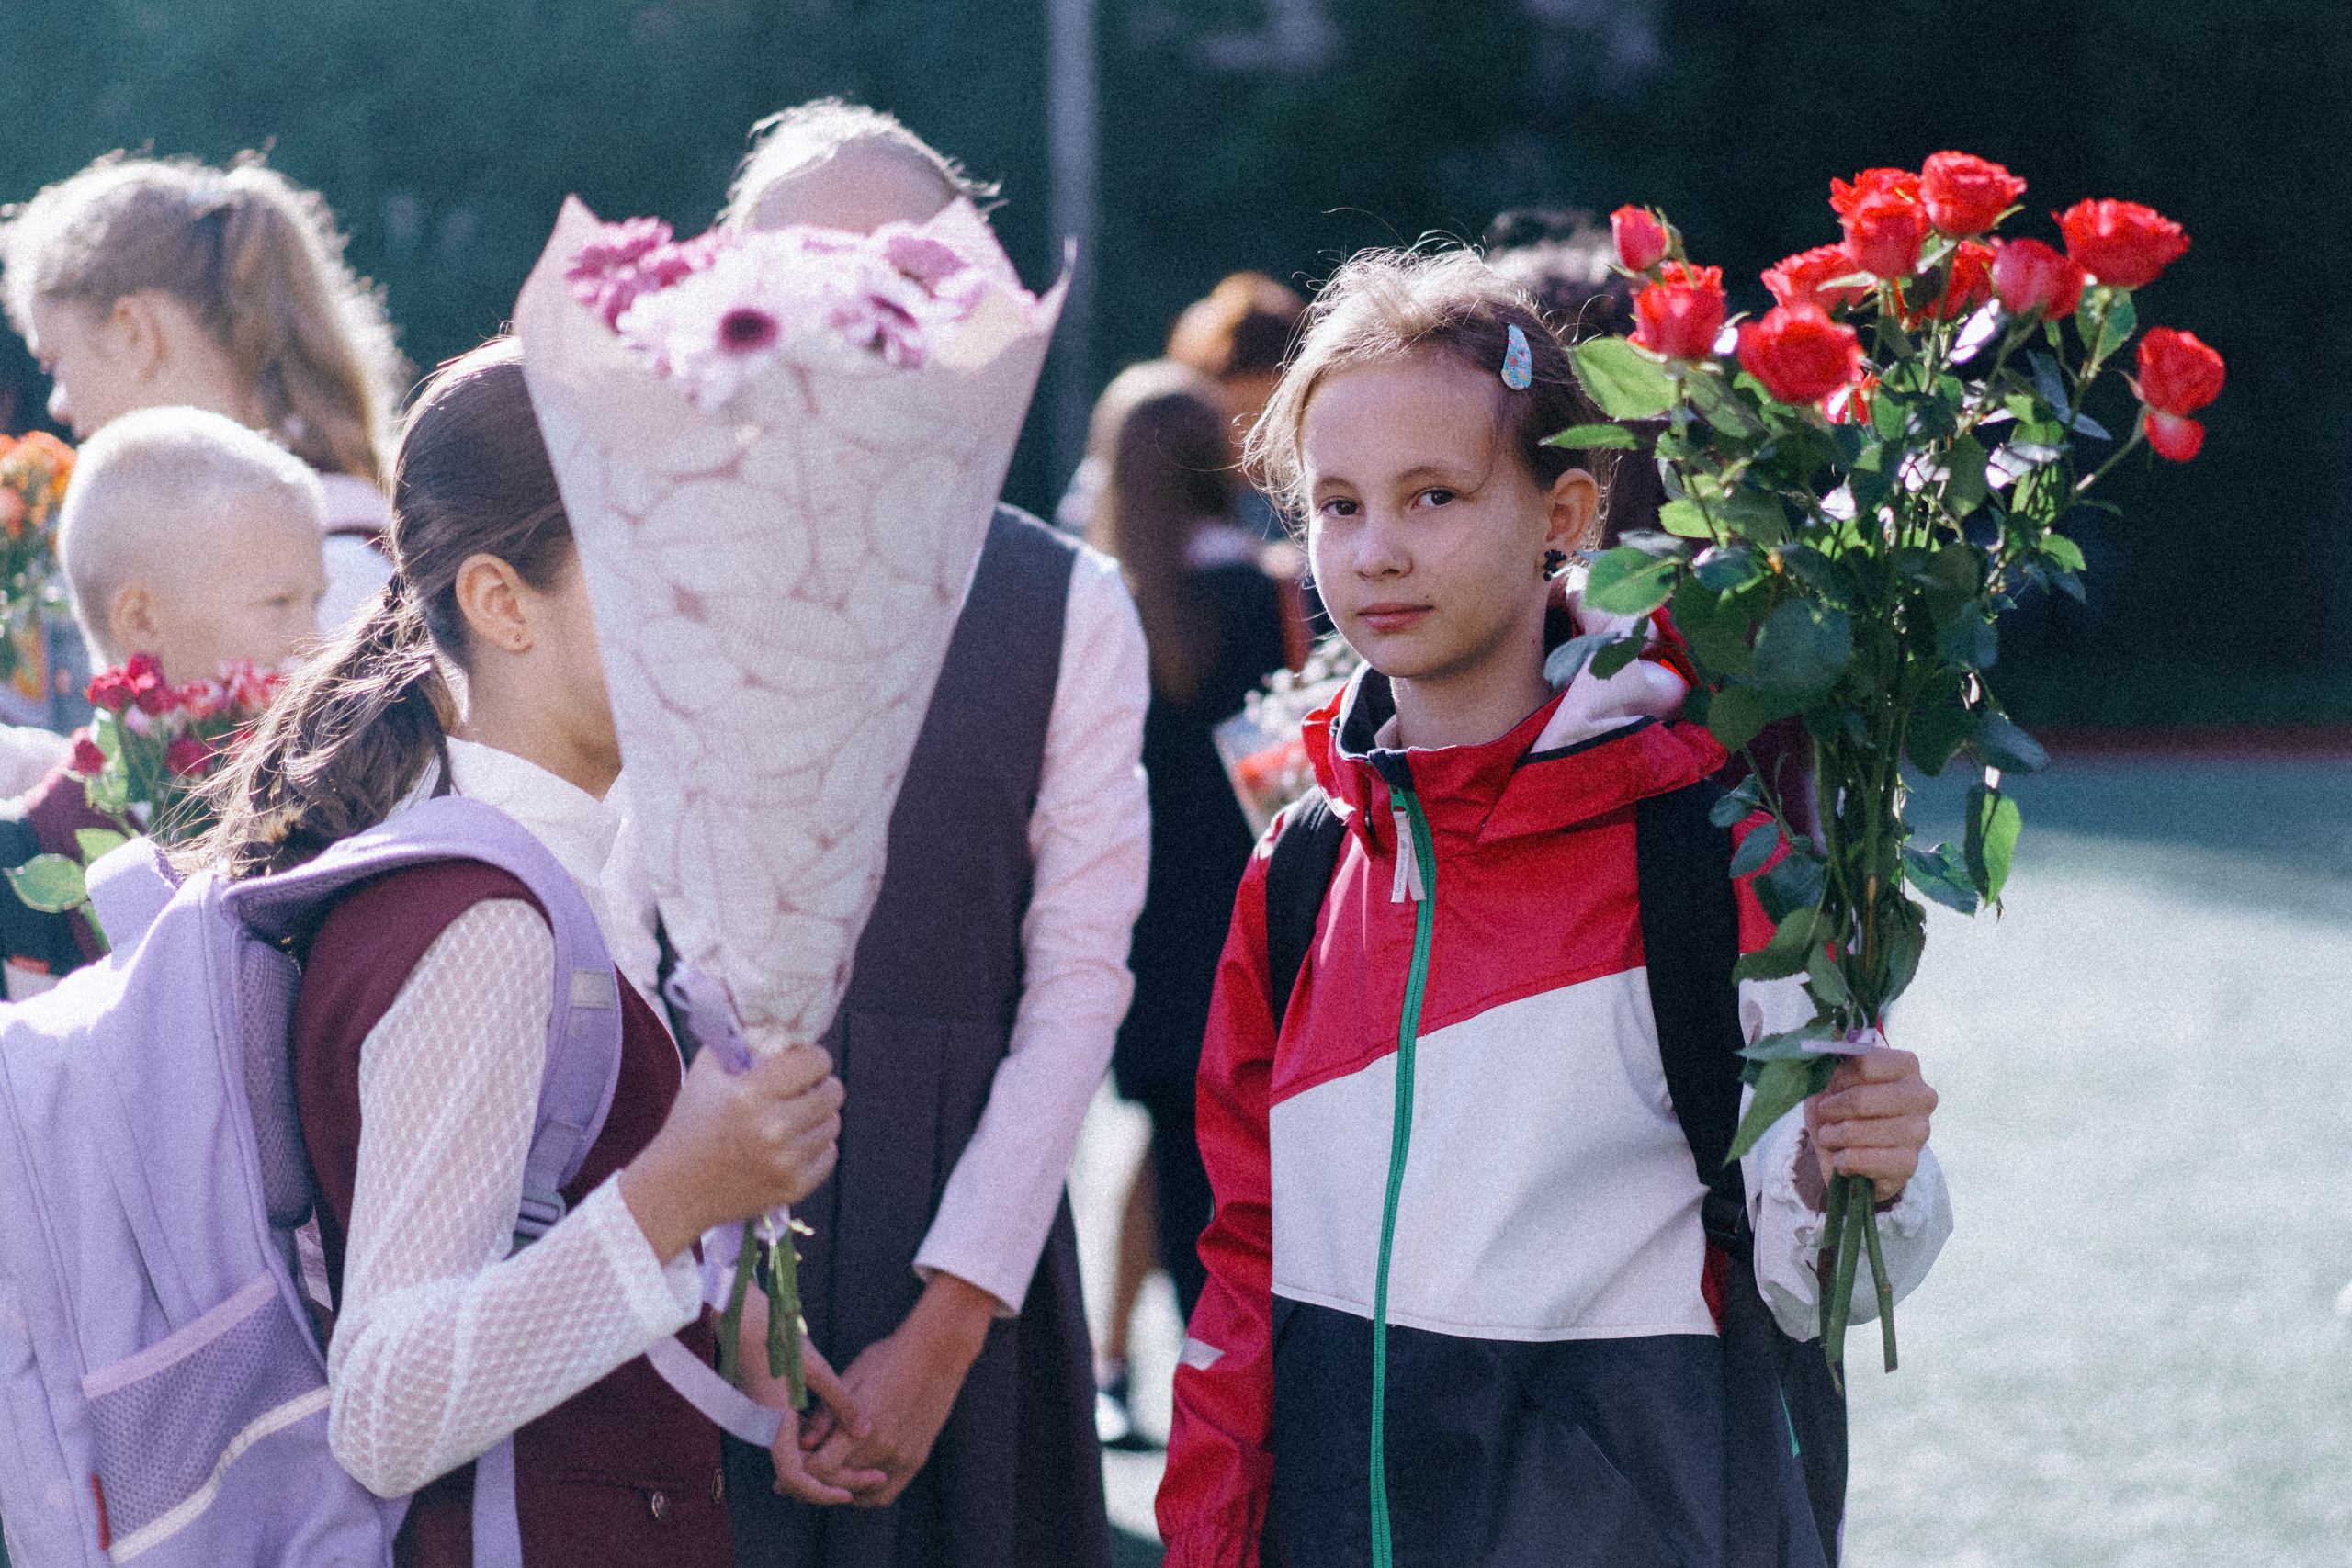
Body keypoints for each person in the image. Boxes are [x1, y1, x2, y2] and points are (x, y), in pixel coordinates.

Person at [1156, 248, 1951, 1567]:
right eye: (1339, 506)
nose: (1378, 548)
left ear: (1566, 511)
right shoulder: (1299, 868)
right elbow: (1245, 1266)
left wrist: (1872, 1159)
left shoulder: (1707, 850)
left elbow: (1821, 1274)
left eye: (1435, 494)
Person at [183, 337, 859, 1565]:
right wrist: (676, 1197)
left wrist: (726, 1304)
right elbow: (387, 1407)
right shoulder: (489, 919)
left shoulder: (571, 867)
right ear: (502, 603)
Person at [716, 101, 1147, 1568]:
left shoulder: (1066, 602)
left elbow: (1080, 978)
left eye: (892, 264)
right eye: (794, 262)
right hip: (680, 1210)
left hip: (958, 1232)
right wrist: (729, 1290)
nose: (843, 301)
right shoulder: (646, 568)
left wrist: (953, 1316)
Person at [1079, 361, 1291, 1446]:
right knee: (1254, 1191)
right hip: (1252, 930)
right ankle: (1249, 1420)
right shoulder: (1263, 594)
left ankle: (1178, 1403)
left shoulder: (1095, 610)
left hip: (1140, 937)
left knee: (1172, 1172)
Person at [0, 152, 410, 638]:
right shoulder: (308, 552)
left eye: (56, 365)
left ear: (135, 333)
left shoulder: (331, 570)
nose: (58, 406)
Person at [0, 403, 330, 997]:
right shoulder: (19, 861)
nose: (316, 640)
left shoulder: (319, 821)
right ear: (142, 619)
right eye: (279, 602)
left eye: (315, 600)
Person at [1059, 273, 1307, 546]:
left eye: (1276, 420)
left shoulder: (1297, 492)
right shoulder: (1128, 483)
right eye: (1243, 416)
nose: (1257, 441)